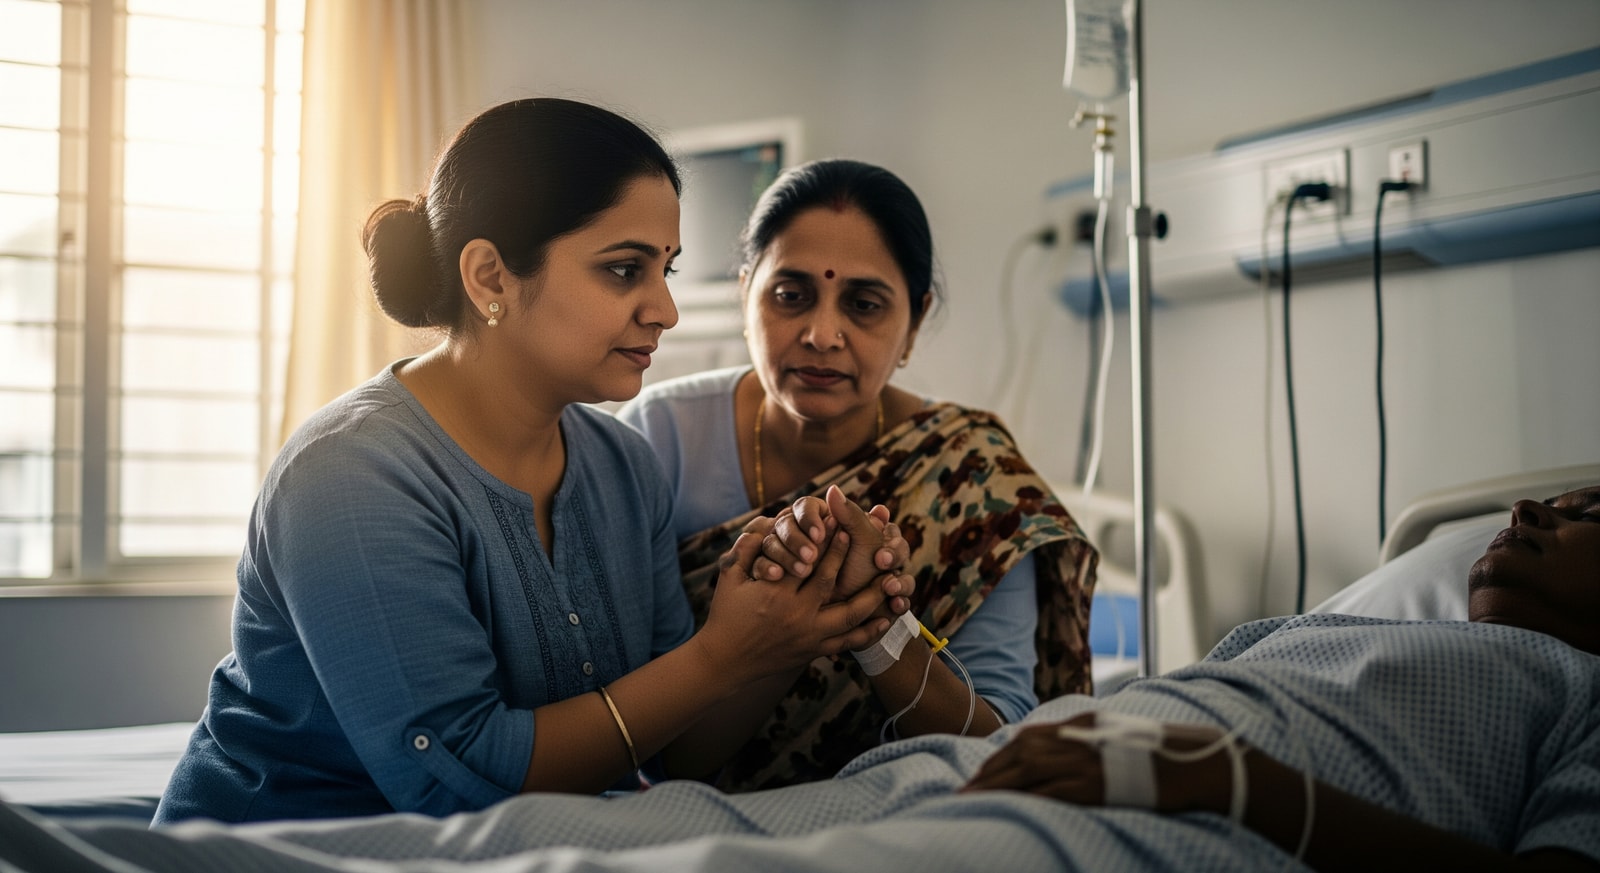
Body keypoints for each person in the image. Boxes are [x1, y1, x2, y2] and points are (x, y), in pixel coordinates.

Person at [13, 486, 1594, 871]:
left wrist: (1212, 780)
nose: (1534, 513)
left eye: (1585, 515)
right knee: (504, 840)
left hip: (1166, 821)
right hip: (1010, 764)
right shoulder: (671, 455)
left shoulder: (1575, 698)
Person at [152, 98, 914, 825]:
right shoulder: (350, 477)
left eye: (667, 271)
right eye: (624, 269)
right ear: (489, 277)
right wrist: (718, 655)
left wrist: (788, 626)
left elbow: (673, 753)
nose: (664, 309)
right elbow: (458, 781)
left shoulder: (623, 465)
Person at [618, 158, 1099, 792]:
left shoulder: (976, 475)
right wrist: (783, 624)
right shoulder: (657, 440)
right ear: (745, 297)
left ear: (915, 322)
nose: (822, 334)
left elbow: (998, 742)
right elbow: (652, 745)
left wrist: (876, 628)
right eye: (790, 296)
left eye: (864, 304)